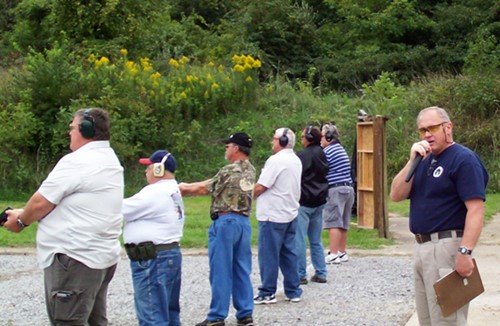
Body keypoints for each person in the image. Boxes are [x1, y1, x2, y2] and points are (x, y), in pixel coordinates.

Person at [3, 108, 124, 325]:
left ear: (85, 130)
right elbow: (69, 204)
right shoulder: (108, 158)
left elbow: (41, 202)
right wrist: (26, 211)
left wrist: (21, 220)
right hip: (97, 258)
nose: (70, 133)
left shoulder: (77, 161)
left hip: (75, 259)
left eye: (72, 128)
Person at [390, 106, 488, 325]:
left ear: (448, 128)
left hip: (446, 247)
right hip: (422, 247)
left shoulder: (463, 160)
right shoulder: (422, 161)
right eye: (422, 130)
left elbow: (475, 209)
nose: (427, 134)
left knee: (447, 320)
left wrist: (465, 252)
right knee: (427, 320)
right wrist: (411, 161)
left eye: (432, 128)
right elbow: (396, 194)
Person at [179, 132, 255, 326]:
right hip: (243, 223)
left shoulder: (229, 170)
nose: (226, 149)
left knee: (221, 270)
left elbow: (205, 188)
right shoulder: (251, 170)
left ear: (236, 148)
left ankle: (217, 316)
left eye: (228, 146)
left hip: (225, 221)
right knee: (241, 269)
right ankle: (245, 313)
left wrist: (184, 187)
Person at [122, 149, 185, 326]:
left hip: (152, 259)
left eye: (149, 167)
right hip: (167, 254)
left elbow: (120, 210)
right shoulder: (171, 189)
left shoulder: (155, 191)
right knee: (169, 314)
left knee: (152, 317)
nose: (146, 171)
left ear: (159, 169)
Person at [253, 127, 303, 304]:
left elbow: (261, 186)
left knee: (268, 255)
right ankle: (293, 290)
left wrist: (246, 195)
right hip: (289, 212)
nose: (272, 142)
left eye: (274, 139)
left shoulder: (275, 160)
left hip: (272, 215)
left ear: (282, 141)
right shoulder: (296, 159)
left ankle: (267, 291)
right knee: (288, 253)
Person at [295, 126, 329, 284]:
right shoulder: (322, 153)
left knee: (300, 239)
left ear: (308, 138)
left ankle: (301, 274)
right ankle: (321, 272)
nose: (301, 139)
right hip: (320, 200)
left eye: (302, 137)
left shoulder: (301, 156)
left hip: (304, 201)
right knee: (316, 240)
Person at [321, 123, 355, 265]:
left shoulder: (328, 151)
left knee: (333, 221)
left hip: (335, 189)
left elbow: (321, 169)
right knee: (343, 222)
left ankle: (333, 253)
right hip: (348, 188)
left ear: (328, 137)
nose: (320, 140)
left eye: (322, 136)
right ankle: (341, 252)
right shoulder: (340, 149)